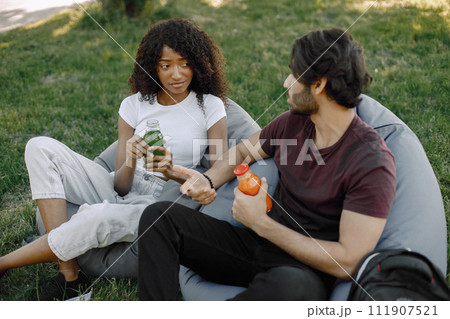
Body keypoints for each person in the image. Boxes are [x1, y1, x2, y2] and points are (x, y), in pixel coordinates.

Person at [137, 28, 397, 301]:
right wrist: (208, 180)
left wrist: (261, 223)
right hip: (256, 248)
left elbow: (348, 262)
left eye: (295, 75)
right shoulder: (294, 123)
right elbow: (241, 152)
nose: (286, 82)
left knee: (290, 286)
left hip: (305, 271)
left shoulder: (370, 162)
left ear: (318, 85)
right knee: (158, 219)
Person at [0, 18, 229, 301]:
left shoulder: (209, 105)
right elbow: (120, 187)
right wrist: (131, 160)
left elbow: (217, 173)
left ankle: (7, 264)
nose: (177, 74)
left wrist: (173, 173)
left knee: (96, 216)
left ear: (197, 62)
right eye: (165, 65)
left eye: (184, 63)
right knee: (39, 146)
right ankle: (70, 272)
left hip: (158, 203)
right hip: (118, 187)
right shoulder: (133, 105)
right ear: (152, 66)